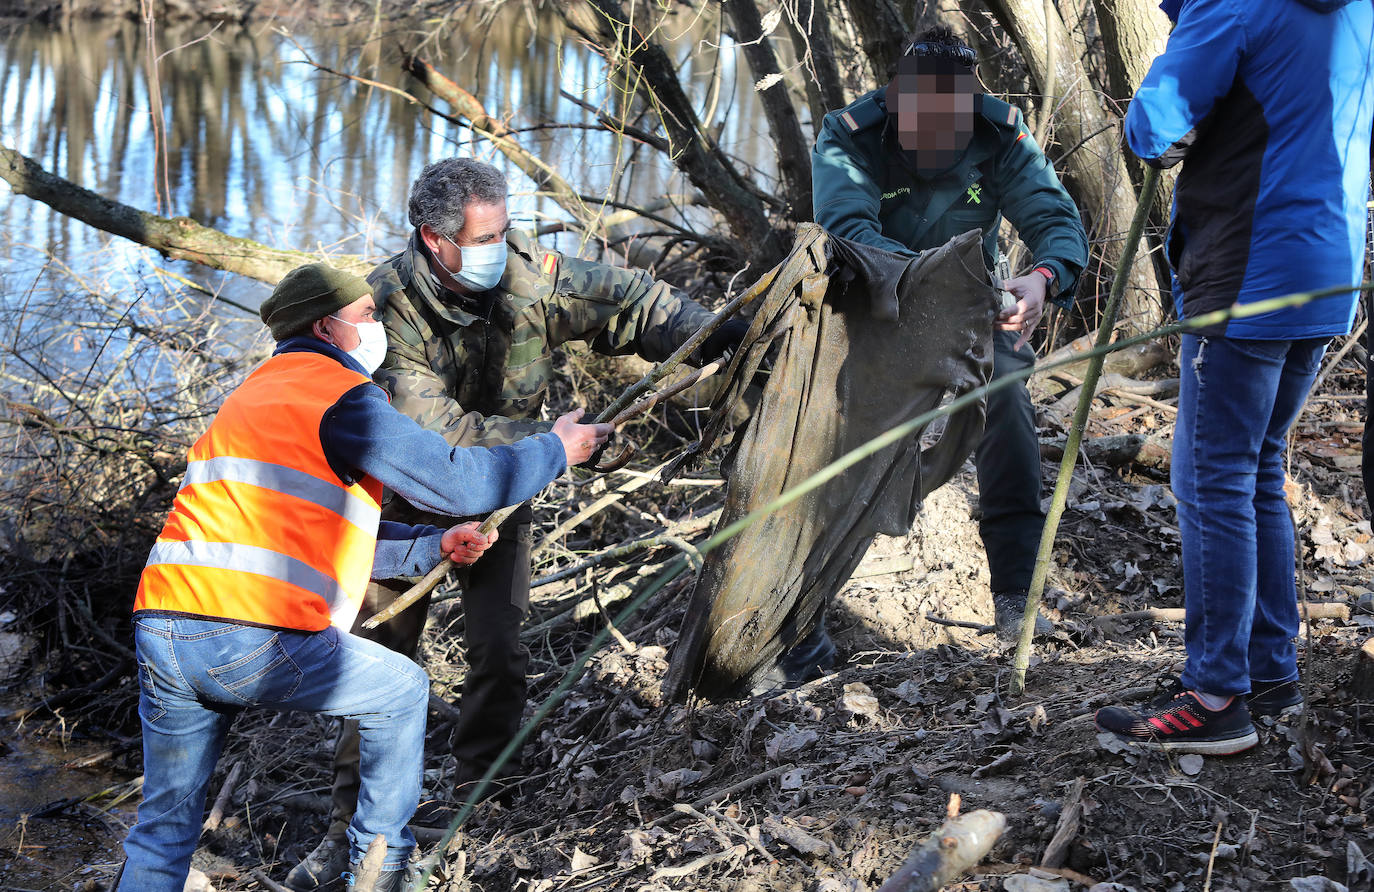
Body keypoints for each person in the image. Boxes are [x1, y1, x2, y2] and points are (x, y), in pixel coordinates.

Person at [287, 158, 742, 889]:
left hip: (503, 497)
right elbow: (439, 445)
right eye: (486, 235)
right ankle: (350, 835)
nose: (504, 244)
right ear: (434, 240)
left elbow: (632, 301)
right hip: (397, 508)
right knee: (379, 664)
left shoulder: (531, 275)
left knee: (499, 647)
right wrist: (558, 449)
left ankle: (484, 799)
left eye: (505, 228)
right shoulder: (384, 314)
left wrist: (721, 335)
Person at [117, 263, 612, 892]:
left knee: (164, 827)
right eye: (368, 317)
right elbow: (457, 481)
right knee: (402, 688)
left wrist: (432, 546)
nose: (379, 326)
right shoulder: (340, 395)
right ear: (327, 327)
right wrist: (554, 449)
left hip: (163, 628)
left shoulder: (255, 393)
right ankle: (379, 872)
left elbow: (307, 537)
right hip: (245, 636)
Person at [1095, 0, 1373, 755]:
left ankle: (1216, 696)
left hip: (1251, 275)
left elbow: (1153, 130)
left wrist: (1183, 39)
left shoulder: (1234, 5)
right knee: (1253, 473)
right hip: (1327, 273)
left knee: (1211, 479)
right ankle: (1269, 671)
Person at [803, 25, 1088, 660]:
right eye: (918, 127)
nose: (933, 143)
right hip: (871, 315)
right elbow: (849, 231)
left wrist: (1042, 280)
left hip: (974, 318)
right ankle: (802, 620)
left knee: (1010, 404)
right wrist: (946, 289)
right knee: (832, 446)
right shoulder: (849, 135)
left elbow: (1057, 221)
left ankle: (1017, 600)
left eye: (947, 130)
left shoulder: (1000, 134)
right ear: (896, 102)